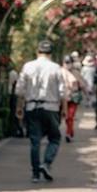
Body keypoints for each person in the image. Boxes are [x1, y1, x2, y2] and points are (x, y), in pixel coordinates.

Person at [15, 40, 66, 183]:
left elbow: (20, 90)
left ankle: (35, 174)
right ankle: (46, 163)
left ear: (37, 52)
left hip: (31, 107)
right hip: (51, 108)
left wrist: (19, 107)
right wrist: (64, 110)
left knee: (35, 142)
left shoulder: (27, 66)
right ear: (51, 53)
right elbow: (62, 93)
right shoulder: (56, 68)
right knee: (55, 138)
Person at [61, 55, 84, 143]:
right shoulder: (59, 72)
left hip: (73, 97)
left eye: (69, 63)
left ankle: (68, 132)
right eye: (66, 63)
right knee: (64, 117)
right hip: (62, 98)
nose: (67, 65)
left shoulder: (76, 73)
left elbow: (82, 84)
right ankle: (70, 131)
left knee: (70, 116)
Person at [8, 63, 25, 137]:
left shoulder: (13, 73)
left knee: (16, 113)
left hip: (15, 95)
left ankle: (18, 130)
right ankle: (19, 130)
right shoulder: (15, 73)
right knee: (18, 113)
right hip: (18, 96)